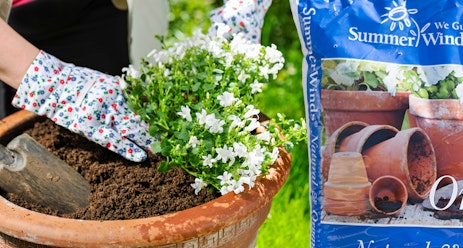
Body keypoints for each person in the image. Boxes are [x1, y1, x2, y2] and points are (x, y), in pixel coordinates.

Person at [0, 0, 271, 162]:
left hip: (104, 9)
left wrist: (244, 9)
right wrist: (54, 82)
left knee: (121, 132)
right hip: (10, 25)